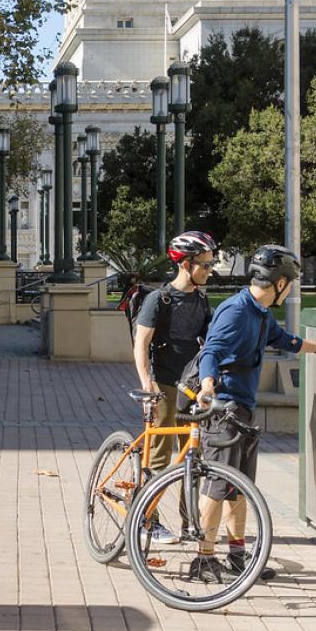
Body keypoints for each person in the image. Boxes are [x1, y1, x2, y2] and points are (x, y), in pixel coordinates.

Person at [193, 244, 316, 583]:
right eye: (289, 283)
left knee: (240, 486)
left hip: (243, 410)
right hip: (224, 409)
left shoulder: (260, 313)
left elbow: (284, 340)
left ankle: (235, 554)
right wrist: (206, 386)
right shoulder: (235, 311)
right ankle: (203, 558)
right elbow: (212, 351)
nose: (289, 289)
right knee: (218, 486)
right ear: (279, 283)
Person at [134, 231, 217, 544]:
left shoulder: (201, 299)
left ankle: (189, 523)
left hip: (191, 388)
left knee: (192, 458)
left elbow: (209, 342)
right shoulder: (159, 299)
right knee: (157, 458)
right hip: (164, 386)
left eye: (210, 264)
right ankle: (147, 520)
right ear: (186, 265)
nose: (209, 270)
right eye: (205, 265)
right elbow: (141, 345)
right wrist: (147, 384)